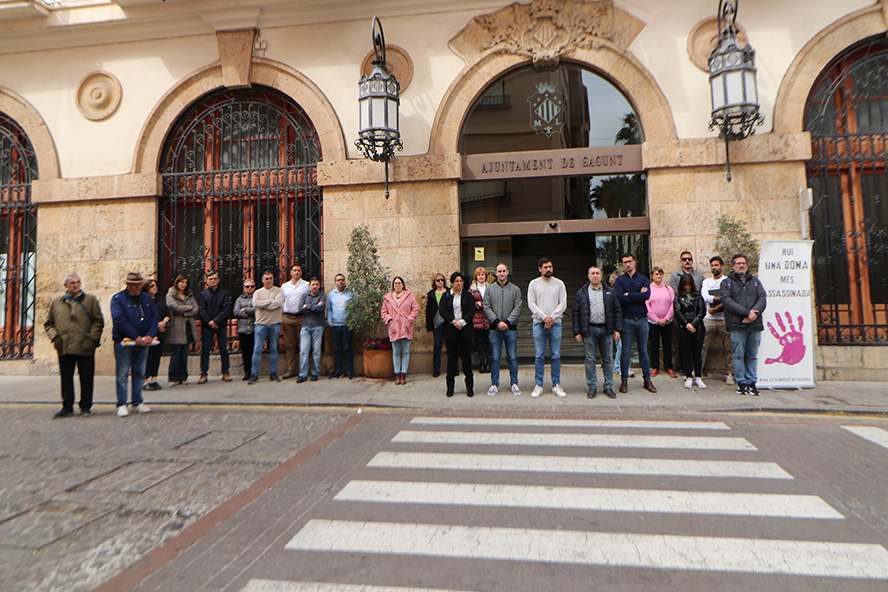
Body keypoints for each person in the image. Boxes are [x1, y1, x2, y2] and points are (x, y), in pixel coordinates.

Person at [44, 274, 104, 418]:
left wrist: (92, 338)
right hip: (64, 346)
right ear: (66, 285)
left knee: (86, 377)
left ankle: (85, 406)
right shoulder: (57, 301)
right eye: (72, 283)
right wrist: (55, 338)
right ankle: (67, 406)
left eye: (78, 282)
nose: (75, 285)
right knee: (66, 377)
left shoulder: (90, 300)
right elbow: (49, 323)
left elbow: (98, 321)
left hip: (85, 345)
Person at [110, 272, 158, 417]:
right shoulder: (118, 298)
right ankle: (122, 404)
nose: (137, 287)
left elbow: (154, 316)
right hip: (125, 342)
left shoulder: (146, 298)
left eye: (139, 284)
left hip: (143, 341)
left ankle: (138, 401)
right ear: (128, 284)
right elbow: (119, 319)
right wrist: (134, 336)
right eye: (134, 284)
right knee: (123, 373)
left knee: (139, 372)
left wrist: (150, 334)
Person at [572, 266, 622, 399]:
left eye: (597, 273)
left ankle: (608, 386)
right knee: (590, 359)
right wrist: (577, 332)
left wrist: (617, 329)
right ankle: (592, 386)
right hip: (589, 330)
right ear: (588, 276)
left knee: (608, 359)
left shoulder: (610, 292)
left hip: (606, 329)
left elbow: (617, 311)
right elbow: (576, 313)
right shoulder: (582, 293)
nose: (595, 275)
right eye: (592, 273)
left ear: (601, 276)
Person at [721, 253, 767, 396]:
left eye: (743, 263)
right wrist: (747, 313)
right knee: (738, 354)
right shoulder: (726, 283)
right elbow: (727, 302)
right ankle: (741, 382)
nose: (741, 265)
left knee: (753, 355)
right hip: (737, 324)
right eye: (738, 263)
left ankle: (752, 382)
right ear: (733, 266)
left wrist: (753, 314)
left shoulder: (755, 282)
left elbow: (762, 298)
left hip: (754, 324)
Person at [614, 253, 657, 393]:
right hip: (626, 320)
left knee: (643, 350)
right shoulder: (620, 280)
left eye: (629, 261)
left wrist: (629, 295)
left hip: (642, 319)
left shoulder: (643, 279)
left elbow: (646, 295)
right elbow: (620, 298)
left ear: (635, 262)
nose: (627, 264)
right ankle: (624, 381)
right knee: (625, 351)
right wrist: (636, 295)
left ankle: (647, 380)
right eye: (625, 262)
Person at [527, 257, 567, 398]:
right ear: (540, 269)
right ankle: (539, 385)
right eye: (545, 267)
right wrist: (544, 317)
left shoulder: (559, 284)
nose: (548, 269)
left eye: (550, 266)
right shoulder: (534, 284)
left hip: (556, 323)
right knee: (539, 355)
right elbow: (531, 304)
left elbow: (563, 304)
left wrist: (551, 317)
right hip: (539, 323)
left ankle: (556, 384)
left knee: (555, 355)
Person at [483, 262, 522, 396]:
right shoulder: (489, 290)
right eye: (499, 271)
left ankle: (514, 383)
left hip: (510, 329)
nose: (501, 274)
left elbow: (518, 307)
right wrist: (497, 322)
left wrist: (507, 322)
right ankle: (494, 384)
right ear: (495, 273)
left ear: (508, 272)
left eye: (504, 271)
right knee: (495, 357)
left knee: (512, 357)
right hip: (495, 329)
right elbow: (486, 307)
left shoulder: (515, 290)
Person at [439, 271, 475, 397]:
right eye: (456, 281)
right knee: (452, 359)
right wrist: (453, 321)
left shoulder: (468, 295)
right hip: (451, 331)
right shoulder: (446, 296)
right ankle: (450, 388)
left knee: (466, 359)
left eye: (461, 281)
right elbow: (442, 310)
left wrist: (463, 322)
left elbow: (472, 310)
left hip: (465, 331)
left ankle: (469, 387)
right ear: (452, 283)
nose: (459, 284)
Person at [701, 256, 734, 385]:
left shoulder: (727, 281)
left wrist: (717, 307)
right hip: (708, 319)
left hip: (724, 319)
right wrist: (721, 298)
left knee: (729, 347)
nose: (714, 268)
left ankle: (730, 373)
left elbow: (729, 298)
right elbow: (705, 297)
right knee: (702, 346)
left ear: (722, 266)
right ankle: (698, 370)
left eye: (716, 265)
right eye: (712, 265)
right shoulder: (707, 282)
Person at [381, 276, 419, 385]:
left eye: (399, 283)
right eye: (395, 283)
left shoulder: (409, 296)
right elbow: (384, 312)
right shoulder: (388, 298)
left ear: (403, 284)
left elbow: (415, 309)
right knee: (396, 351)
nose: (397, 285)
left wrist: (409, 320)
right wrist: (390, 320)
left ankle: (404, 374)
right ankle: (397, 374)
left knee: (406, 350)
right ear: (393, 285)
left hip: (405, 326)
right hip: (394, 327)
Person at [249, 271, 284, 384]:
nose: (268, 280)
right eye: (266, 278)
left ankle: (273, 373)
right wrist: (270, 302)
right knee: (257, 349)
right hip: (260, 324)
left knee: (273, 348)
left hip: (275, 323)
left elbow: (278, 303)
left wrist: (264, 304)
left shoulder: (279, 291)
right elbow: (255, 304)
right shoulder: (257, 293)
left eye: (270, 278)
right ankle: (254, 374)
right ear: (262, 280)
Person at [197, 270, 231, 383]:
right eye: (210, 279)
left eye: (215, 278)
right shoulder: (203, 294)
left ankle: (225, 372)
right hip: (207, 326)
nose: (213, 281)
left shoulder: (224, 293)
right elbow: (201, 310)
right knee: (205, 350)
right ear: (207, 280)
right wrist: (209, 321)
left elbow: (226, 309)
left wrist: (216, 321)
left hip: (221, 324)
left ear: (218, 280)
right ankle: (203, 373)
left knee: (223, 349)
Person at [674, 273, 707, 389]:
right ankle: (688, 375)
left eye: (689, 285)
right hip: (684, 326)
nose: (687, 287)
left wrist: (694, 324)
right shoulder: (678, 296)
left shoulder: (697, 296)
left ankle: (698, 375)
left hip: (697, 326)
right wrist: (686, 324)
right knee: (685, 351)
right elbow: (677, 312)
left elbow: (702, 311)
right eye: (685, 285)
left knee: (697, 352)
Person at [166, 274, 198, 386]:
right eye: (181, 282)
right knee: (176, 353)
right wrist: (188, 308)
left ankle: (183, 377)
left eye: (185, 282)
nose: (183, 284)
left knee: (185, 353)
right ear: (177, 283)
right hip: (176, 326)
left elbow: (196, 309)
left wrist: (182, 311)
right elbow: (173, 306)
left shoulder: (189, 294)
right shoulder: (171, 293)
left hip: (188, 326)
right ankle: (172, 377)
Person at [280, 263, 309, 379]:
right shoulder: (284, 286)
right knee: (289, 345)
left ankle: (303, 369)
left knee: (302, 345)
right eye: (294, 270)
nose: (296, 272)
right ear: (290, 272)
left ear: (301, 273)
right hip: (287, 317)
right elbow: (282, 301)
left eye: (298, 270)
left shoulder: (306, 285)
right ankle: (290, 369)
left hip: (301, 317)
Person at [646, 267, 676, 378]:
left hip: (667, 322)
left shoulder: (669, 289)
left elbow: (673, 305)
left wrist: (666, 318)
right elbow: (647, 306)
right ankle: (655, 367)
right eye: (656, 274)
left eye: (660, 274)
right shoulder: (648, 289)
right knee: (654, 345)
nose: (658, 276)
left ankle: (668, 366)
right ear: (652, 276)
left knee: (667, 345)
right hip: (653, 322)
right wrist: (657, 320)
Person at [297, 277, 326, 383]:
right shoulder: (304, 296)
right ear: (309, 286)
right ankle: (303, 374)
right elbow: (300, 309)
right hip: (305, 327)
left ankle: (315, 373)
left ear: (319, 286)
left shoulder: (322, 296)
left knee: (316, 351)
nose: (315, 286)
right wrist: (313, 306)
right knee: (304, 350)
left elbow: (321, 308)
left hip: (318, 326)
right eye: (313, 284)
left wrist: (307, 307)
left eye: (317, 284)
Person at [143, 278, 170, 391]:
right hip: (149, 332)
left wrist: (164, 321)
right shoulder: (144, 299)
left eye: (156, 285)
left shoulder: (160, 299)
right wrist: (155, 324)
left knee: (156, 356)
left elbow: (168, 313)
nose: (155, 287)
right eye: (152, 285)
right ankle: (145, 380)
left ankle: (154, 379)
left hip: (161, 331)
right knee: (148, 357)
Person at [327, 273, 354, 379]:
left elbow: (355, 307)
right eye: (338, 280)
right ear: (335, 282)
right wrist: (330, 322)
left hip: (347, 325)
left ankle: (349, 371)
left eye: (342, 280)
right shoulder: (331, 294)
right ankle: (338, 371)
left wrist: (352, 321)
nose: (340, 282)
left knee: (348, 348)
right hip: (335, 325)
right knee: (337, 349)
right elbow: (329, 309)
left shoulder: (351, 293)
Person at [425, 273, 448, 377]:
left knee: (451, 346)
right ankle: (436, 368)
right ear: (434, 282)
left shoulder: (448, 292)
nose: (440, 282)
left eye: (442, 280)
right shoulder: (431, 294)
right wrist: (429, 327)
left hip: (448, 322)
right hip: (436, 323)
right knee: (437, 346)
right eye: (438, 280)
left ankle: (454, 368)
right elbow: (428, 311)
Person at [232, 279, 256, 380]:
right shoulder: (239, 299)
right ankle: (247, 371)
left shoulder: (257, 297)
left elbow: (258, 310)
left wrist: (245, 309)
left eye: (252, 286)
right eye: (247, 286)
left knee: (254, 351)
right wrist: (250, 312)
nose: (249, 288)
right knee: (245, 351)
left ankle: (254, 371)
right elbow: (236, 312)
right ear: (244, 287)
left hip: (255, 328)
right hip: (243, 328)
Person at [469, 267, 491, 374]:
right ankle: (482, 364)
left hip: (488, 319)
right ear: (476, 277)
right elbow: (468, 304)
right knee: (480, 344)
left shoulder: (491, 288)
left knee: (489, 343)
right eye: (479, 275)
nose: (481, 277)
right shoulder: (471, 290)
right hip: (477, 320)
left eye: (483, 275)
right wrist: (476, 304)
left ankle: (489, 364)